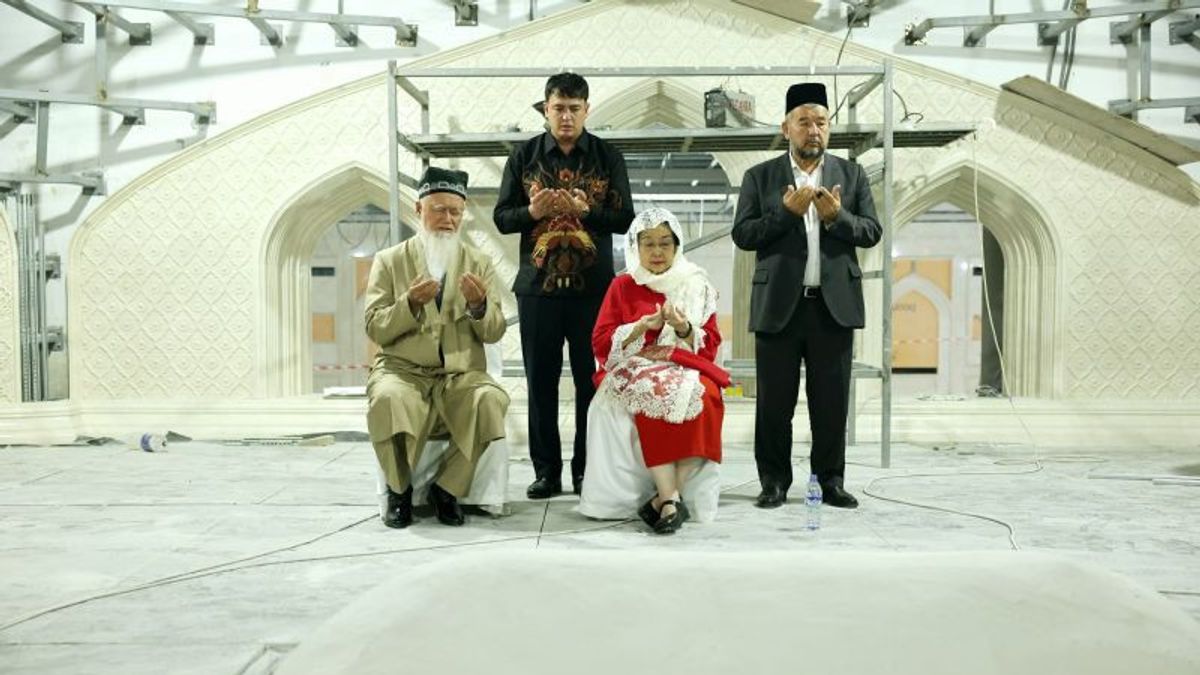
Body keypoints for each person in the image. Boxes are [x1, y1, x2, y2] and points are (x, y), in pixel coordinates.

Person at [731, 82, 882, 510]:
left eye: (821, 122)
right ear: (786, 128)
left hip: (832, 308)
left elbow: (871, 231)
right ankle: (774, 483)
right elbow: (744, 235)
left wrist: (837, 217)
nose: (813, 130)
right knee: (774, 406)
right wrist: (786, 213)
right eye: (804, 122)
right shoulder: (759, 178)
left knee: (831, 405)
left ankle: (830, 482)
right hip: (779, 307)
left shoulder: (851, 176)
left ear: (829, 128)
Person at [494, 72, 635, 499]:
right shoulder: (524, 156)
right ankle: (546, 472)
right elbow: (503, 217)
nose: (567, 116)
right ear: (546, 109)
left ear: (587, 110)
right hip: (538, 288)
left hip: (594, 291)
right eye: (558, 108)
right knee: (540, 382)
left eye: (575, 108)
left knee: (589, 381)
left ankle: (585, 470)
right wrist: (532, 212)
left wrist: (587, 210)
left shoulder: (608, 156)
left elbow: (626, 219)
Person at [364, 166, 509, 528]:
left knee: (489, 399)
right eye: (439, 209)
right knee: (388, 399)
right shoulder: (389, 261)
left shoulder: (479, 264)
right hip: (403, 370)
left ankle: (448, 489)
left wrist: (479, 307)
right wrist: (409, 304)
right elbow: (374, 327)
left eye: (455, 212)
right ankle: (399, 492)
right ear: (419, 210)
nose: (448, 219)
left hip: (460, 374)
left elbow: (493, 332)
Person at [580, 207, 727, 535]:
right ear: (636, 247)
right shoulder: (622, 285)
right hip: (638, 365)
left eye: (665, 243)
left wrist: (685, 327)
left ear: (677, 246)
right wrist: (639, 327)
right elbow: (600, 342)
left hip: (687, 363)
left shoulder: (696, 283)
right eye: (648, 244)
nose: (657, 252)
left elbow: (711, 345)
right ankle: (670, 498)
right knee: (651, 395)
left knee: (709, 398)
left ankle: (664, 499)